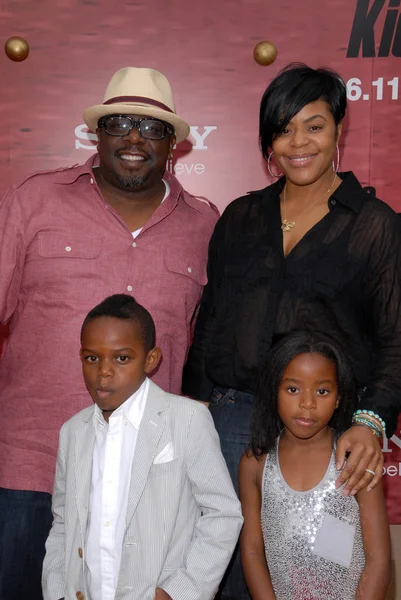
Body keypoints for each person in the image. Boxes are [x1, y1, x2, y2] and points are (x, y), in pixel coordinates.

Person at [183, 63, 401, 599]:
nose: (298, 142)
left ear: (339, 130)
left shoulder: (373, 224)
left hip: (325, 426)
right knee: (229, 572)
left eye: (314, 125)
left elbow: (397, 336)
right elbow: (210, 322)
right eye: (283, 129)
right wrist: (193, 415)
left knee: (319, 571)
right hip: (232, 422)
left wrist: (370, 422)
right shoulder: (239, 217)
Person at [0, 67, 218, 599]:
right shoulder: (34, 201)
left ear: (173, 143)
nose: (135, 137)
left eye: (152, 126)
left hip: (146, 482)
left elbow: (209, 351)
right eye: (119, 123)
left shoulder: (206, 226)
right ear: (96, 134)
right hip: (30, 465)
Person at [42, 294, 243, 600]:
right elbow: (63, 521)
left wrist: (181, 591)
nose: (104, 371)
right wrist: (57, 591)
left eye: (121, 358)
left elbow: (223, 514)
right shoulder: (72, 432)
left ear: (151, 360)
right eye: (91, 358)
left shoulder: (187, 419)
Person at [239, 331, 391, 600]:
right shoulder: (255, 463)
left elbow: (378, 559)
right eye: (293, 389)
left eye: (322, 391)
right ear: (273, 391)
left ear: (339, 398)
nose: (307, 404)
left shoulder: (355, 458)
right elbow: (252, 551)